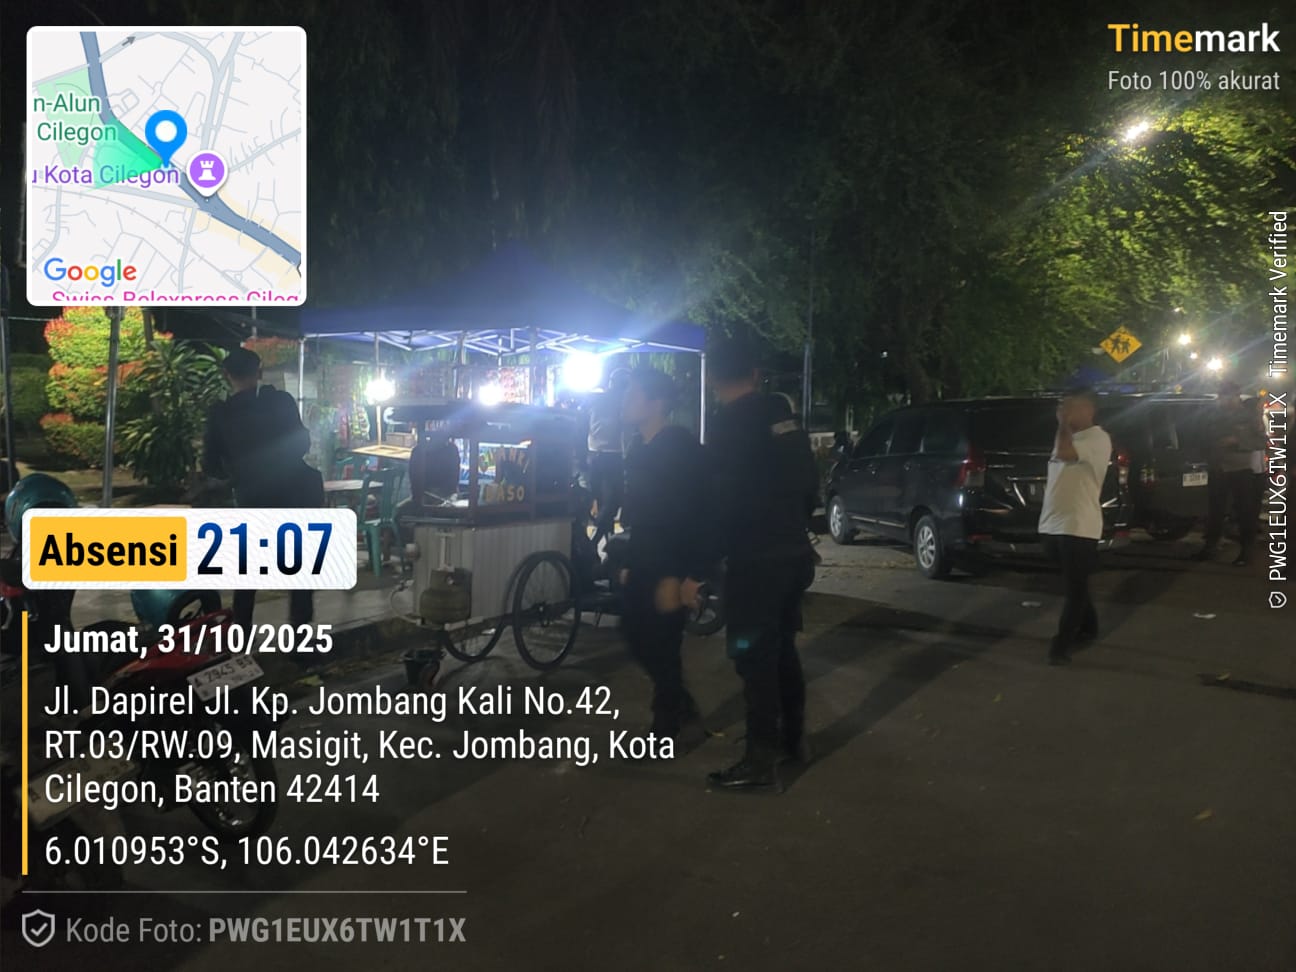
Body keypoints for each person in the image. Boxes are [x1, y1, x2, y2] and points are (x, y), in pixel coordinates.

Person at [684, 338, 819, 789]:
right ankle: (793, 741)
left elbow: (719, 504)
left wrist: (700, 568)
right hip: (793, 554)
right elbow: (809, 481)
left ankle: (761, 758)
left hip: (755, 561)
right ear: (756, 374)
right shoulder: (781, 413)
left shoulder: (727, 425)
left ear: (711, 379)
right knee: (782, 649)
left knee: (753, 658)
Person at [202, 347, 324, 632]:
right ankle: (299, 632)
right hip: (294, 492)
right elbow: (302, 443)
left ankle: (241, 632)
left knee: (248, 569)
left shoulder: (221, 413)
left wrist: (237, 471)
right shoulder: (281, 402)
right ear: (259, 372)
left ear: (226, 375)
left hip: (252, 496)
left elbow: (211, 464)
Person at [619, 369, 708, 738]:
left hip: (669, 562)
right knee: (633, 633)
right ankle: (679, 704)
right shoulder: (639, 447)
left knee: (662, 644)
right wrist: (629, 560)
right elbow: (640, 511)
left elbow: (695, 513)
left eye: (633, 394)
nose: (625, 401)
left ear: (656, 403)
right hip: (643, 556)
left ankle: (667, 727)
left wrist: (685, 575)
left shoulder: (679, 447)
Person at [1037, 388, 1112, 666]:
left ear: (1088, 410)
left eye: (1071, 406)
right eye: (1062, 406)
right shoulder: (1069, 436)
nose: (1064, 411)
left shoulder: (1098, 438)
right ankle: (1089, 627)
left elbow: (1064, 453)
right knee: (1076, 584)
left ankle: (1061, 646)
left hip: (1079, 525)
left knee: (1075, 590)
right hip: (1052, 523)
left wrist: (1062, 424)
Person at [1195, 383, 1264, 566]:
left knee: (1244, 512)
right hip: (1218, 468)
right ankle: (1211, 546)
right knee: (1215, 511)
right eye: (1222, 397)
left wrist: (1237, 441)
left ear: (1237, 396)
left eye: (1229, 397)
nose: (1225, 400)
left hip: (1240, 469)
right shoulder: (1213, 416)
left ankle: (1247, 550)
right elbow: (1202, 438)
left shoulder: (1249, 416)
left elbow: (1260, 441)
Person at [587, 369, 630, 549]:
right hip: (613, 455)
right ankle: (594, 543)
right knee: (613, 503)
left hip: (594, 454)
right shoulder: (622, 401)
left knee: (605, 503)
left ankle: (603, 545)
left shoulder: (598, 400)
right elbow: (626, 427)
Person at [396, 422, 461, 533]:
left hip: (444, 497)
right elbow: (415, 481)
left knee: (399, 513)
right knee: (399, 514)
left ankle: (409, 541)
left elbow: (453, 481)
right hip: (430, 496)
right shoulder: (449, 450)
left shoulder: (449, 450)